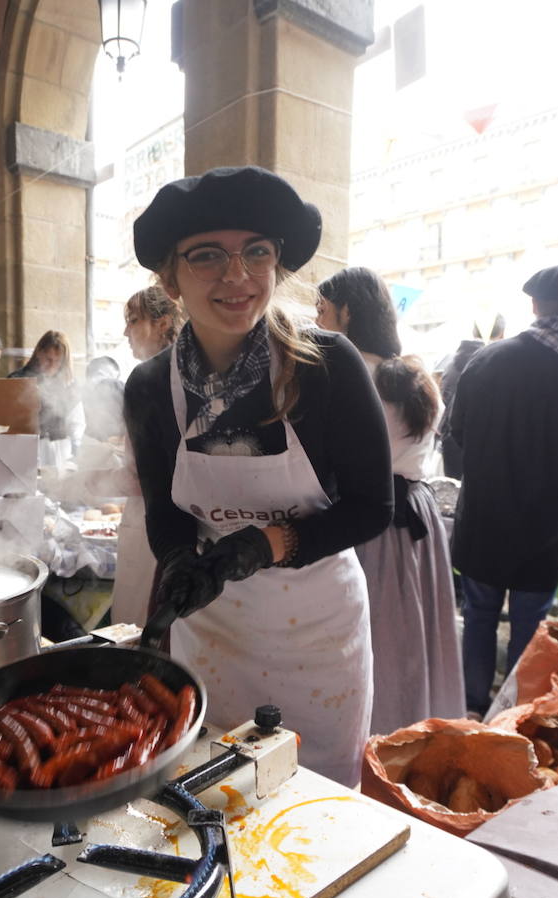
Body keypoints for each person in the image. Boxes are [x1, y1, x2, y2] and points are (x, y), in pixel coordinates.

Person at [124, 166, 392, 784]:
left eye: (257, 253)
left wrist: (265, 544)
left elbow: (371, 506)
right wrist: (180, 560)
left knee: (315, 805)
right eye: (208, 256)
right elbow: (167, 515)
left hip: (318, 632)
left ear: (277, 264)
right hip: (216, 629)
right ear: (170, 277)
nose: (237, 276)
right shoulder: (148, 388)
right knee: (215, 793)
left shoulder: (326, 365)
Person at [450, 265, 558, 715]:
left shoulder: (487, 360)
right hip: (547, 522)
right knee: (530, 619)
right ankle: (517, 710)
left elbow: (458, 431)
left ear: (534, 305)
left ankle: (471, 706)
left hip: (485, 515)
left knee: (480, 616)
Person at [317, 266, 464, 731]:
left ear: (345, 312)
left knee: (374, 636)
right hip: (415, 517)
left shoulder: (344, 376)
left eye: (321, 310)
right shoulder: (416, 377)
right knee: (413, 638)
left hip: (366, 518)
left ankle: (371, 736)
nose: (317, 322)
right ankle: (414, 730)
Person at [111, 287, 185, 627]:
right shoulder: (164, 375)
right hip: (153, 519)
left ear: (163, 323)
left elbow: (143, 477)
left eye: (134, 321)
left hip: (153, 523)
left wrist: (78, 483)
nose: (126, 331)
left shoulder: (152, 381)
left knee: (138, 623)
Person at [436, 314, 504, 479]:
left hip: (450, 444)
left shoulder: (449, 361)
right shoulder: (499, 364)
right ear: (502, 334)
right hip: (484, 450)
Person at [9, 330, 84, 467]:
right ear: (39, 353)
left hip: (61, 451)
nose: (52, 365)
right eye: (48, 359)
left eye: (58, 361)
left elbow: (76, 422)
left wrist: (76, 449)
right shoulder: (17, 381)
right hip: (25, 449)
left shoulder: (70, 385)